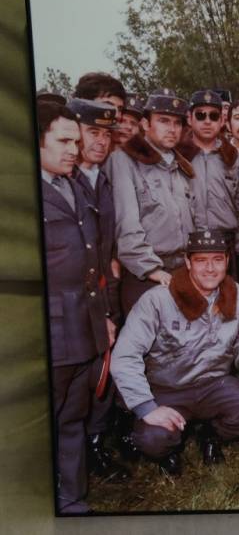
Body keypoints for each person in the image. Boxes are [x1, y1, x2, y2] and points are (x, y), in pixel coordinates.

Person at [111, 229, 239, 475]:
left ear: (227, 260)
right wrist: (147, 408)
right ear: (187, 262)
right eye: (201, 260)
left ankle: (211, 434)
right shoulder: (158, 300)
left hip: (213, 384)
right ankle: (169, 449)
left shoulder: (236, 294)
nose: (210, 268)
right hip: (167, 389)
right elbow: (124, 357)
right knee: (152, 440)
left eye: (217, 259)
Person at [38, 101, 113, 514]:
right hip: (49, 329)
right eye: (63, 141)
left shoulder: (76, 185)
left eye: (75, 140)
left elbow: (94, 258)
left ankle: (70, 499)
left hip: (84, 325)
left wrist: (104, 318)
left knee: (72, 415)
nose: (74, 149)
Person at [66, 98, 131, 482]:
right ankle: (77, 452)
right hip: (76, 297)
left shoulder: (102, 178)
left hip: (107, 289)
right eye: (93, 132)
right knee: (80, 376)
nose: (101, 141)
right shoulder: (65, 180)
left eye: (107, 134)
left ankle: (96, 442)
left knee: (105, 367)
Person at [105, 88, 195, 313]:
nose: (172, 129)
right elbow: (126, 224)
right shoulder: (124, 160)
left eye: (177, 123)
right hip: (145, 275)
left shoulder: (181, 166)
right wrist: (151, 269)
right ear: (145, 124)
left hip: (182, 270)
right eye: (163, 121)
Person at [177, 89, 239, 277]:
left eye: (214, 115)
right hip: (188, 244)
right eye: (200, 115)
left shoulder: (232, 158)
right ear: (189, 118)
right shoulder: (177, 157)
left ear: (222, 120)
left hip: (225, 243)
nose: (207, 121)